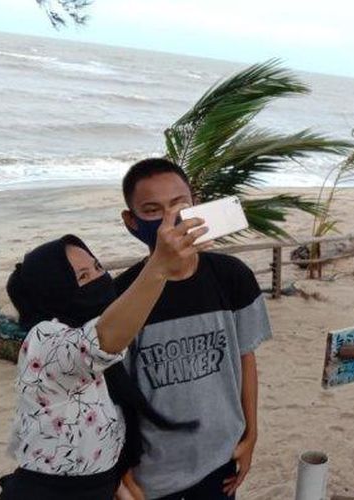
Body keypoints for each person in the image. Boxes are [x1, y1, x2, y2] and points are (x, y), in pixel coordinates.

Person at [0, 204, 209, 500]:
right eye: (83, 277)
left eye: (98, 267)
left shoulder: (94, 338)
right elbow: (103, 340)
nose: (99, 278)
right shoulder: (45, 339)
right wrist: (159, 266)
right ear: (53, 290)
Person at [115, 158, 272, 499]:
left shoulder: (233, 277)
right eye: (152, 210)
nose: (169, 220)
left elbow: (245, 359)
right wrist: (121, 470)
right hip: (153, 474)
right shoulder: (121, 297)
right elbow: (113, 392)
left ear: (196, 204)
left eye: (179, 205)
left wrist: (251, 436)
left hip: (220, 460)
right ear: (131, 221)